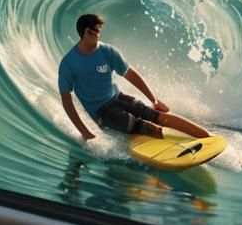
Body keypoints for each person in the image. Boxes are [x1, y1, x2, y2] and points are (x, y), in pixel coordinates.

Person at [58, 13, 210, 143]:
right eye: (94, 32)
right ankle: (175, 148)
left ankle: (206, 137)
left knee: (156, 116)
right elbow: (66, 100)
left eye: (99, 32)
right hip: (102, 112)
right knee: (145, 127)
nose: (98, 36)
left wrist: (154, 100)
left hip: (119, 98)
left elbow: (130, 74)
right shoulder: (69, 63)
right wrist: (84, 131)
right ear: (85, 33)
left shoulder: (107, 51)